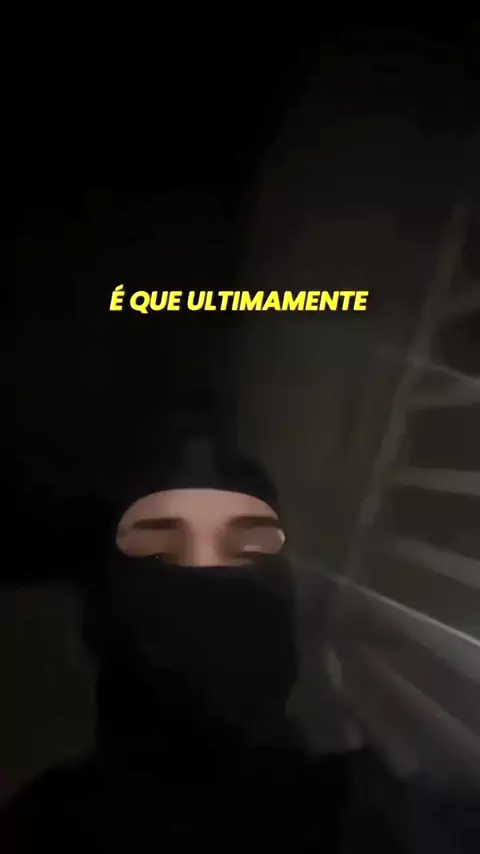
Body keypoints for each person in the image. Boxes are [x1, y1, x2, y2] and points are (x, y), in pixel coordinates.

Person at [2, 432, 478, 852]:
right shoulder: (40, 831)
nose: (210, 574)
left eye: (248, 547)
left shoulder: (392, 818)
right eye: (164, 546)